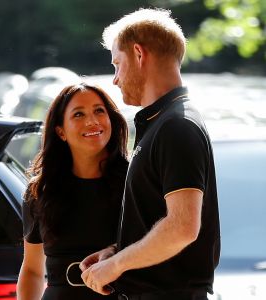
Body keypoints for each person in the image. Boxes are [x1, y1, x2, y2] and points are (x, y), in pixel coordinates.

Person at [80, 8, 220, 300]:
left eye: (117, 64)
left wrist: (116, 266)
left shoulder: (177, 125)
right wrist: (118, 251)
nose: (115, 79)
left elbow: (182, 227)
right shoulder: (162, 122)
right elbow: (155, 217)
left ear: (139, 54)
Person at [16, 83, 128, 300]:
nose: (92, 121)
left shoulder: (134, 181)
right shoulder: (40, 190)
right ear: (61, 132)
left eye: (99, 111)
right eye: (79, 114)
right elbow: (32, 270)